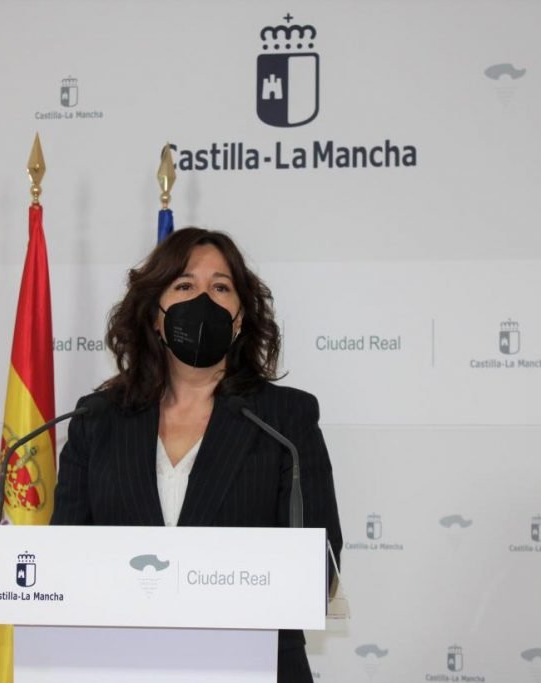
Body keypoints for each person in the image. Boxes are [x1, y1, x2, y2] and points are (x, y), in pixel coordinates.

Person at [51, 227, 342, 683]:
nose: (203, 300)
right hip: (120, 664)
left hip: (253, 665)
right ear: (155, 313)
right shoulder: (98, 419)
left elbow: (320, 562)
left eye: (221, 288)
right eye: (184, 285)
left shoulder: (284, 419)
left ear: (240, 317)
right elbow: (62, 559)